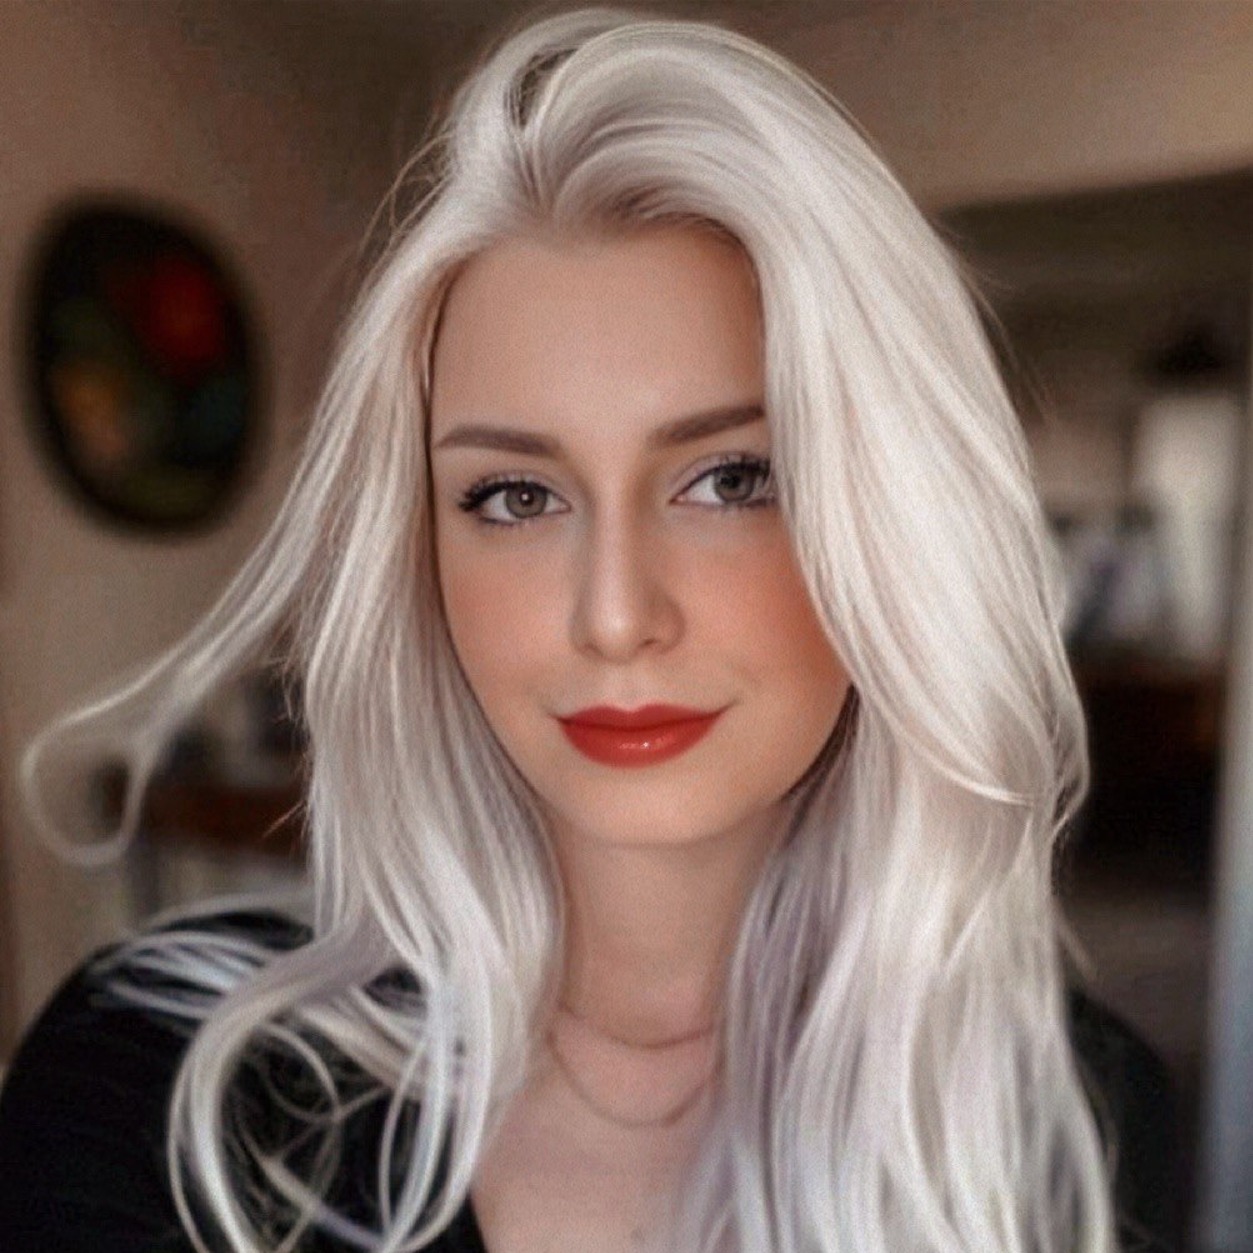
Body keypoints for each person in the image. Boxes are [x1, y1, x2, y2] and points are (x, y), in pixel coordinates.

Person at [0, 7, 1177, 1253]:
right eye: (516, 496)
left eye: (732, 477)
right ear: (419, 552)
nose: (614, 615)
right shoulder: (155, 1091)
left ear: (893, 515)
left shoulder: (1059, 1112)